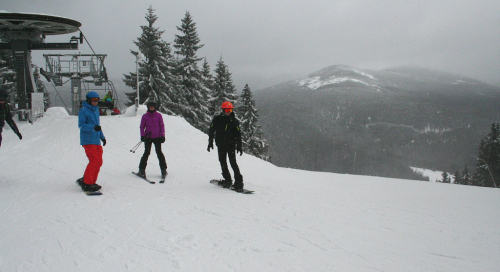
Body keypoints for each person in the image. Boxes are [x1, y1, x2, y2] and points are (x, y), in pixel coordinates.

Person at [207, 101, 244, 192]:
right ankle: (227, 180)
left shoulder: (234, 121)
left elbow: (238, 134)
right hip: (221, 144)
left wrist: (239, 146)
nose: (229, 111)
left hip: (231, 145)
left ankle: (239, 182)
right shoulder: (217, 119)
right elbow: (211, 130)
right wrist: (210, 142)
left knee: (233, 163)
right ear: (223, 110)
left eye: (230, 109)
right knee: (223, 162)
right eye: (227, 109)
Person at [77, 91, 106, 192]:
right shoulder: (83, 110)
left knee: (99, 162)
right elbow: (81, 125)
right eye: (93, 100)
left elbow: (98, 125)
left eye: (97, 100)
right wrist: (93, 127)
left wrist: (102, 137)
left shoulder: (96, 110)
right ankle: (87, 183)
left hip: (96, 140)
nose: (95, 102)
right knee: (94, 161)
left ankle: (91, 181)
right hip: (88, 140)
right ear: (89, 100)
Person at [137, 100, 167, 179]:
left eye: (153, 107)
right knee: (146, 153)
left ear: (155, 107)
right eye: (150, 106)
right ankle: (141, 170)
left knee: (159, 153)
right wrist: (142, 135)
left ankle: (163, 170)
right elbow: (142, 127)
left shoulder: (158, 115)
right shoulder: (145, 116)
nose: (152, 108)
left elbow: (162, 126)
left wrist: (162, 135)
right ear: (148, 107)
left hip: (157, 137)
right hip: (148, 137)